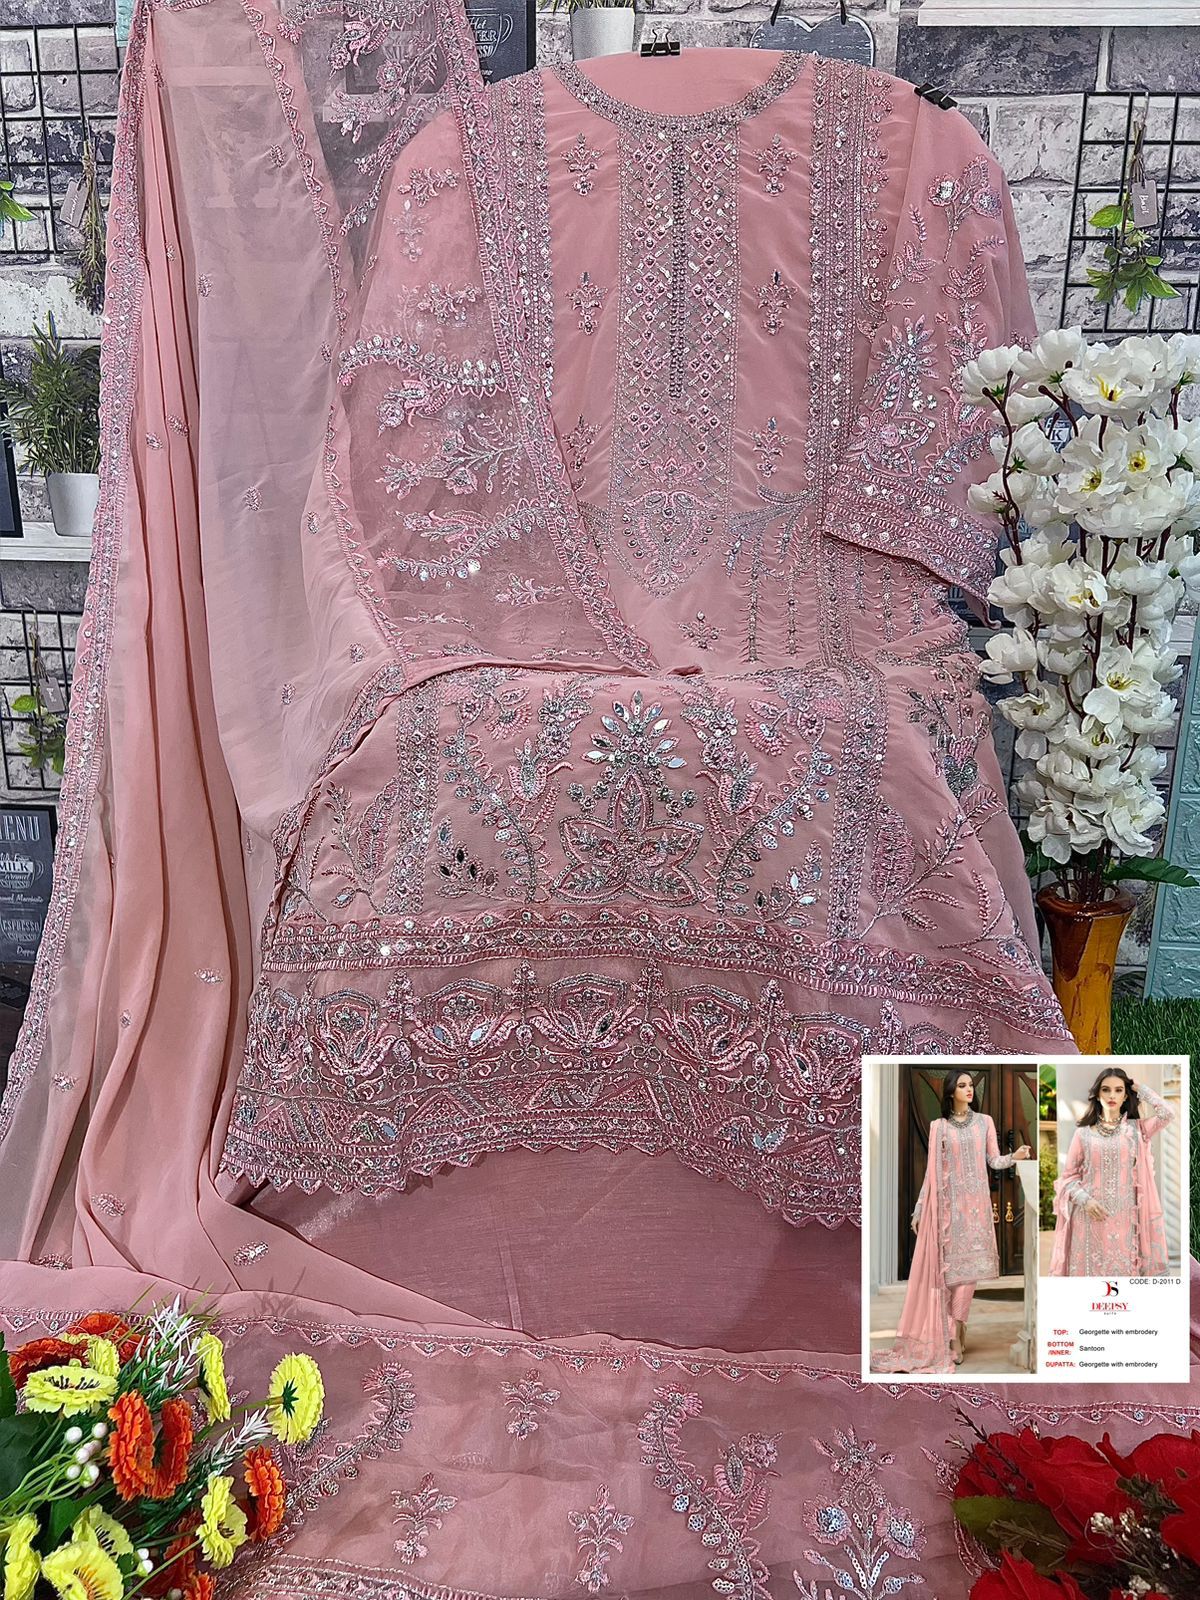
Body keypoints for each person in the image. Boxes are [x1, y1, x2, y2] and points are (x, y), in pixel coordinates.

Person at [873, 1070, 1031, 1372]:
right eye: (962, 1085)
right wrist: (920, 1209)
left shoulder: (984, 1122)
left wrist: (1015, 1156)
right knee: (949, 1276)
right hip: (949, 1210)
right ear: (950, 1092)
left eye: (970, 1085)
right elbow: (931, 1173)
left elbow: (993, 1160)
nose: (969, 1089)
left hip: (977, 1209)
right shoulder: (939, 1127)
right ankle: (950, 1332)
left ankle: (956, 1330)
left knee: (969, 1275)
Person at [1050, 1069, 1174, 1278]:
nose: (1111, 1095)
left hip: (1126, 1220)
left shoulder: (1137, 1130)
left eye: (1118, 1090)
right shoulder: (1083, 1134)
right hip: (1089, 1216)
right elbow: (1068, 1177)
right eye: (1106, 1090)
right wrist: (1085, 1201)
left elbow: (1167, 1114)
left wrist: (1140, 1089)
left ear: (1125, 1096)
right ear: (1098, 1095)